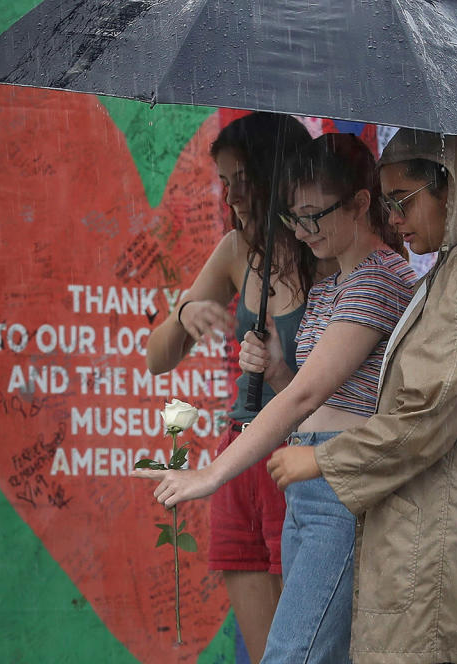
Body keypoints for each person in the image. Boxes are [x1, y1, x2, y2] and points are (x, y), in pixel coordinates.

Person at [266, 129, 457, 664]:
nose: (395, 218)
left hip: (455, 549)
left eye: (403, 200)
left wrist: (321, 458)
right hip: (454, 536)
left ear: (453, 188)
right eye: (387, 203)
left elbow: (424, 416)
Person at [136, 132, 418, 663]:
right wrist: (276, 367)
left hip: (339, 484)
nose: (303, 230)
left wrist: (211, 473)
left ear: (361, 203)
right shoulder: (334, 281)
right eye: (294, 218)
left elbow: (309, 395)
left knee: (292, 655)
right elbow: (299, 390)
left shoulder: (381, 277)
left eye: (314, 216)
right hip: (306, 487)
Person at [144, 112, 313, 661]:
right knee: (266, 652)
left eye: (243, 178)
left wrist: (286, 369)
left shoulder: (322, 250)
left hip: (303, 457)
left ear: (276, 171)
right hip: (241, 453)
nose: (232, 195)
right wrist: (186, 311)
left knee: (305, 646)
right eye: (223, 181)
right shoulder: (237, 251)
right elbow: (157, 359)